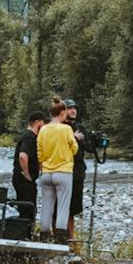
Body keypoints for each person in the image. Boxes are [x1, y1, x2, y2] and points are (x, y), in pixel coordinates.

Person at [35, 99, 79, 245]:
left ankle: (44, 235)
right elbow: (74, 148)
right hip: (63, 171)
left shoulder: (43, 129)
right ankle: (61, 239)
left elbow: (39, 152)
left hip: (46, 172)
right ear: (63, 112)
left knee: (46, 206)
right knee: (63, 206)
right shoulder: (66, 129)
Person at [12, 110, 46, 221]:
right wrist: (26, 174)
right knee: (27, 209)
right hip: (24, 180)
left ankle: (26, 231)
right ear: (37, 122)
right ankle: (25, 233)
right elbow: (23, 156)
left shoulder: (28, 136)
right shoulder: (29, 137)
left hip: (23, 179)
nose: (44, 126)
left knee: (28, 208)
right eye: (43, 123)